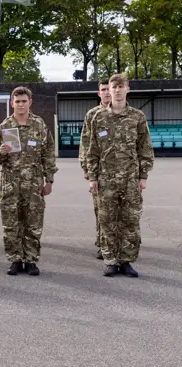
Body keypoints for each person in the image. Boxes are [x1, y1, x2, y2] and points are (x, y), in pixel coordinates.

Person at [85, 73, 154, 278]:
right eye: (113, 87)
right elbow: (92, 150)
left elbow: (145, 147)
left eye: (120, 86)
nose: (116, 90)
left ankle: (126, 261)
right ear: (109, 89)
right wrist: (92, 177)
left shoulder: (137, 117)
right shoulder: (98, 117)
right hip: (105, 179)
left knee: (130, 220)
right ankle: (110, 261)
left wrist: (143, 176)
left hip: (130, 178)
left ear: (127, 89)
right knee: (107, 220)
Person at [0, 86, 57, 276]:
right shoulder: (4, 127)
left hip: (34, 184)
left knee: (33, 223)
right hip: (11, 184)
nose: (21, 104)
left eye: (24, 101)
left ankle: (31, 260)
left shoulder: (39, 125)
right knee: (11, 223)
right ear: (12, 103)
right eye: (17, 101)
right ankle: (15, 259)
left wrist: (49, 180)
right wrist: (1, 152)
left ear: (30, 102)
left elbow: (49, 153)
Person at [78, 78, 111, 260]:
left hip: (122, 170)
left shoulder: (125, 114)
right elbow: (85, 143)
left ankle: (119, 244)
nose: (107, 92)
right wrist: (87, 169)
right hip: (99, 171)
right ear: (99, 93)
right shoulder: (92, 115)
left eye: (108, 89)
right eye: (103, 89)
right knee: (100, 209)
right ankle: (102, 243)